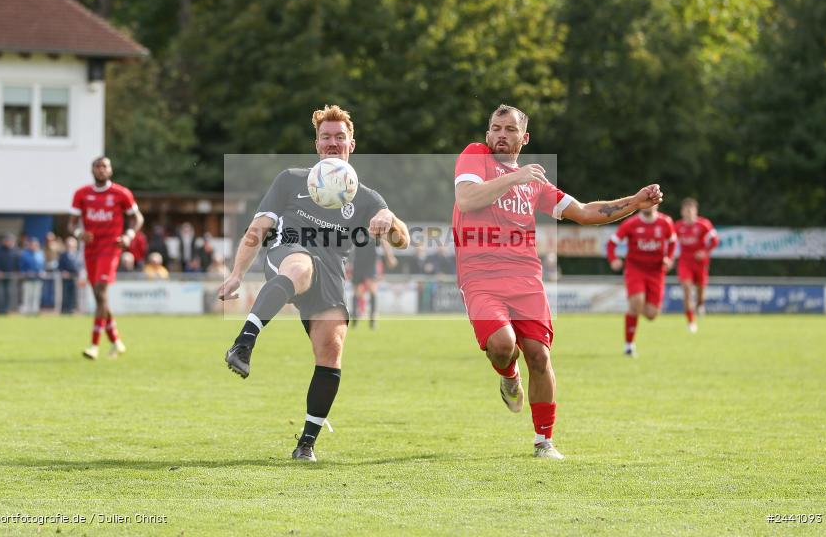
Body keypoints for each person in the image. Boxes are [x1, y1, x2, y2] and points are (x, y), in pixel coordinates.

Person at [453, 104, 664, 459]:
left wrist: (635, 202)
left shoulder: (534, 182)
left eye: (509, 129)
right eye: (495, 128)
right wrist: (514, 177)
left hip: (525, 277)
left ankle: (543, 441)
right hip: (480, 276)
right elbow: (467, 198)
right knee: (503, 345)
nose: (501, 135)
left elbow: (583, 212)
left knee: (538, 355)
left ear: (525, 138)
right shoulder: (475, 156)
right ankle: (508, 375)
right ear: (487, 134)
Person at [218, 104, 410, 462]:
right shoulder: (291, 179)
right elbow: (258, 228)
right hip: (289, 247)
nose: (333, 143)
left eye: (340, 137)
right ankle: (243, 344)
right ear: (317, 144)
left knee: (331, 350)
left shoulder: (368, 198)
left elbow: (402, 242)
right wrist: (236, 274)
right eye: (326, 137)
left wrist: (390, 219)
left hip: (333, 268)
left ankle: (306, 444)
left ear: (352, 143)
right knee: (300, 268)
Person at [68, 156, 144, 360]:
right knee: (99, 297)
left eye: (105, 166)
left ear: (110, 170)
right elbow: (71, 224)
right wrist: (78, 234)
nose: (101, 170)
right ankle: (117, 341)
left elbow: (137, 218)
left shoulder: (121, 193)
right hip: (90, 249)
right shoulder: (81, 194)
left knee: (101, 290)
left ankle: (94, 345)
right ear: (92, 170)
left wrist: (129, 235)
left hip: (110, 248)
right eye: (97, 167)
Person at [607, 204, 676, 356]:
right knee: (636, 302)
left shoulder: (665, 222)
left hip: (656, 271)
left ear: (656, 204)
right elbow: (612, 243)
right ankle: (629, 345)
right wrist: (613, 259)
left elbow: (672, 242)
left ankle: (637, 304)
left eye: (650, 202)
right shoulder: (631, 223)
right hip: (635, 269)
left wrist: (669, 259)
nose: (647, 204)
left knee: (652, 315)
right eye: (645, 201)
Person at [675, 198, 718, 333]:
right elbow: (669, 241)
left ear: (695, 211)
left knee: (700, 295)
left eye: (691, 210)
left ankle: (700, 305)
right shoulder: (677, 226)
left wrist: (705, 252)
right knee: (687, 290)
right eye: (686, 210)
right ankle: (691, 322)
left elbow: (715, 240)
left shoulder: (704, 224)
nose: (688, 212)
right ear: (682, 212)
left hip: (700, 263)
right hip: (685, 262)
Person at [350, 236, 397, 329]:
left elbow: (384, 241)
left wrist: (390, 257)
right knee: (357, 291)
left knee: (372, 288)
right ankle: (355, 317)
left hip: (371, 259)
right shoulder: (356, 225)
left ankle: (373, 319)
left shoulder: (376, 226)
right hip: (358, 259)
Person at [0, 234, 20, 315]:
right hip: (0, 276)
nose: (9, 243)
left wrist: (16, 271)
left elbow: (17, 262)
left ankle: (6, 310)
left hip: (10, 276)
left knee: (8, 293)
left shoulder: (15, 250)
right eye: (8, 241)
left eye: (11, 241)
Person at [19, 237, 44, 315]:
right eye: (32, 244)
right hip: (27, 278)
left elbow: (42, 265)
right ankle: (27, 311)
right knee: (27, 295)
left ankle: (35, 310)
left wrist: (41, 272)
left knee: (36, 295)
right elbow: (21, 266)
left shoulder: (40, 253)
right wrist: (25, 272)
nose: (33, 246)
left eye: (35, 244)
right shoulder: (25, 254)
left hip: (37, 278)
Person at [58, 237, 81, 314]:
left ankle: (73, 309)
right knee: (65, 294)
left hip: (75, 278)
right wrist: (63, 272)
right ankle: (64, 309)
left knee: (75, 294)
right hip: (66, 278)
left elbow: (80, 266)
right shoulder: (63, 255)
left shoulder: (79, 255)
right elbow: (60, 267)